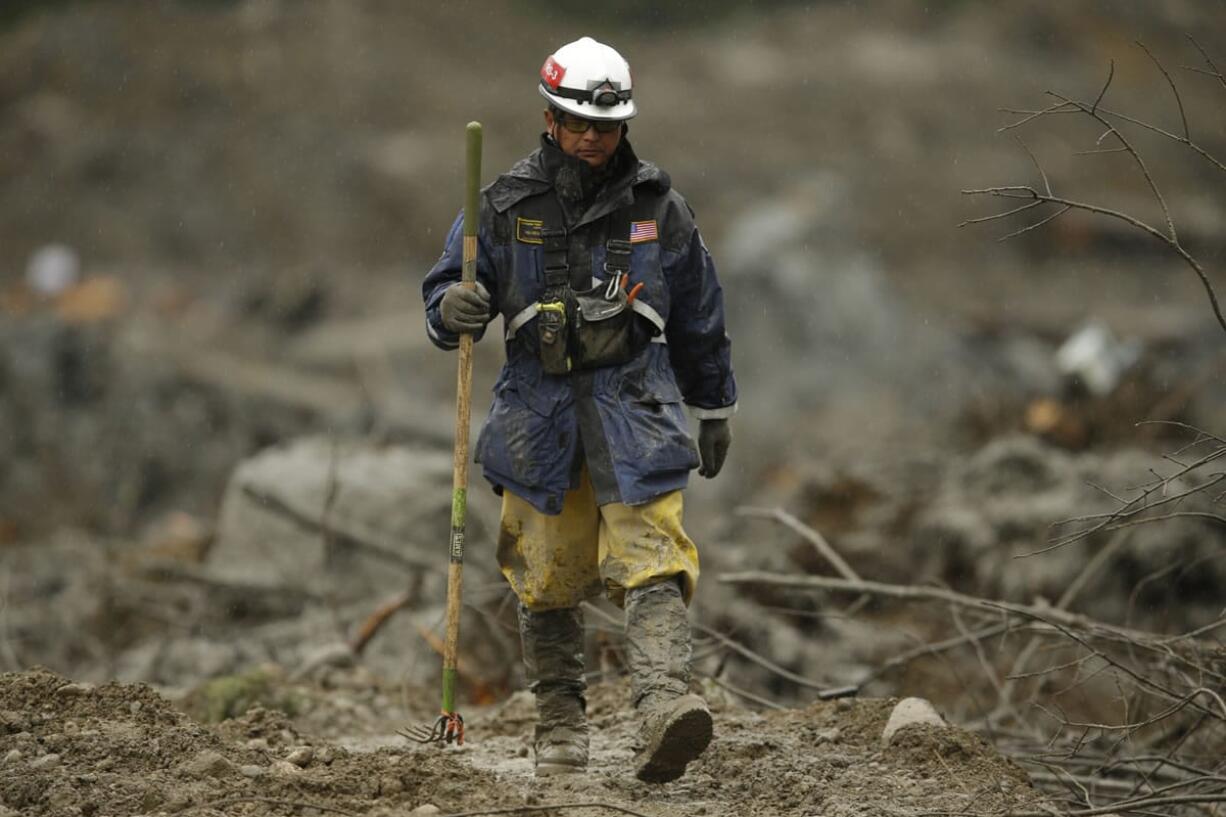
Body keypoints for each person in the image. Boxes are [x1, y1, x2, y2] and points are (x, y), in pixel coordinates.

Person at [422, 36, 737, 784]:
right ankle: (561, 725)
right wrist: (453, 307)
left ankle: (665, 705)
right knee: (546, 576)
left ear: (625, 124)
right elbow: (443, 293)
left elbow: (698, 310)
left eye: (606, 124)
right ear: (550, 118)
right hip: (541, 419)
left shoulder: (661, 209)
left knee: (655, 559)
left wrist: (715, 404)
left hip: (638, 410)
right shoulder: (503, 206)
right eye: (577, 123)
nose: (592, 137)